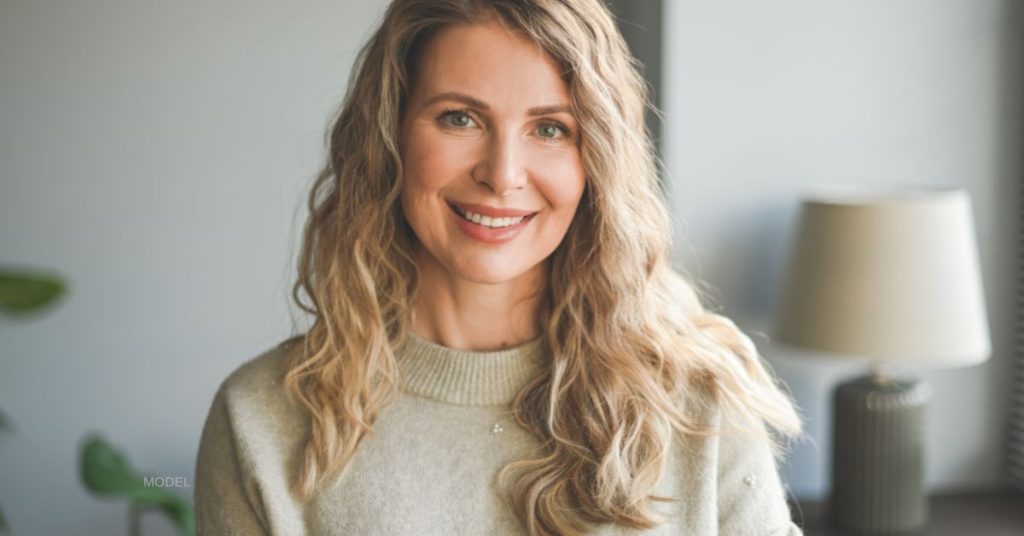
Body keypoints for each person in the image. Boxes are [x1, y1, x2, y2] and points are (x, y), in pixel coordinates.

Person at [194, 0, 806, 534]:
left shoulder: (702, 407)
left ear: (596, 162)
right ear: (390, 139)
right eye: (460, 118)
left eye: (549, 128)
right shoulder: (261, 422)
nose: (503, 173)